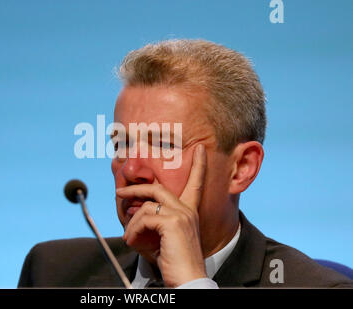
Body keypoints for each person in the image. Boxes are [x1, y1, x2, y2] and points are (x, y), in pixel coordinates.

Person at [18, 39, 352, 288]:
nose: (131, 170)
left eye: (165, 145)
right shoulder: (53, 272)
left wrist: (192, 284)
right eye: (121, 143)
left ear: (241, 168)